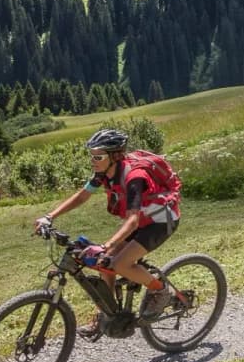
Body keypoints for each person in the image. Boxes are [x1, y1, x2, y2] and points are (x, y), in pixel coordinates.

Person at [35, 128, 179, 337]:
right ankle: (106, 315)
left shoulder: (134, 177)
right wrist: (49, 216)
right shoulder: (104, 173)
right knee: (106, 263)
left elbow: (132, 220)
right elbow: (82, 196)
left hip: (159, 222)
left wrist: (106, 246)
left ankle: (160, 291)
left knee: (120, 263)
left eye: (98, 156)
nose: (93, 160)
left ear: (115, 156)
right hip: (142, 221)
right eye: (91, 156)